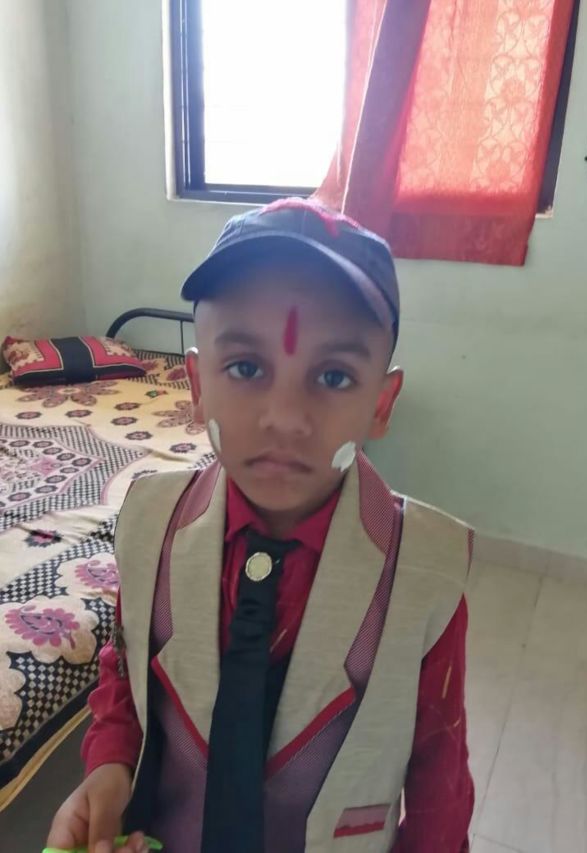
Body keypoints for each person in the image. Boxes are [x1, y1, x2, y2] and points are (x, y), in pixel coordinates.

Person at [46, 198, 475, 853]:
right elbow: (125, 671)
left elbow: (440, 778)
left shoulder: (427, 574)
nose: (284, 417)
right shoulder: (148, 524)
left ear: (381, 404)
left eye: (333, 375)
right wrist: (108, 763)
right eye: (246, 367)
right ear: (197, 384)